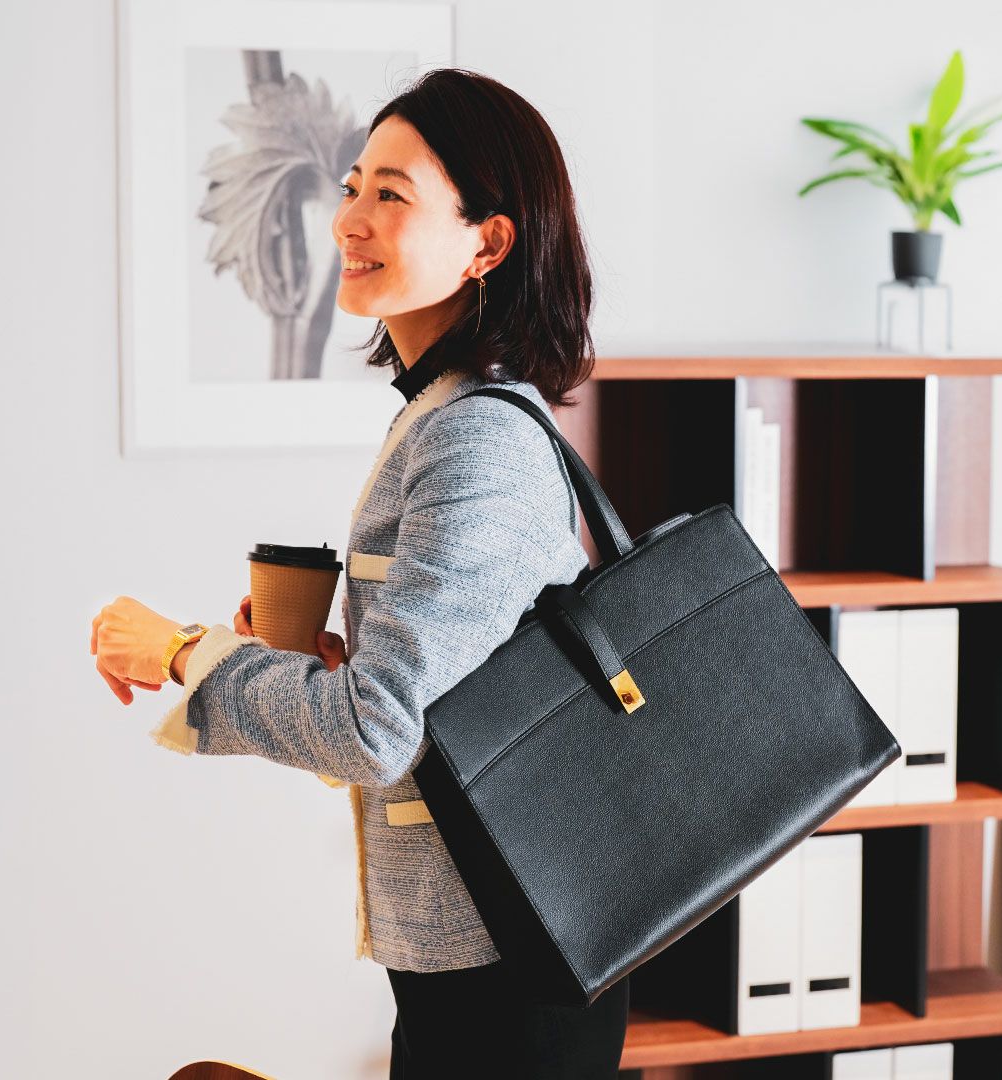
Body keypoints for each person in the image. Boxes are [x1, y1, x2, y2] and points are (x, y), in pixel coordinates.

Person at [90, 67, 629, 1078]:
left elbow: (372, 730)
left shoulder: (477, 440)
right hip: (466, 956)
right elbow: (416, 705)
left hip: (510, 982)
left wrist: (180, 651)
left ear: (488, 244)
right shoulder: (438, 414)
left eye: (392, 194)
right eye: (351, 187)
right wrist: (334, 664)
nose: (350, 218)